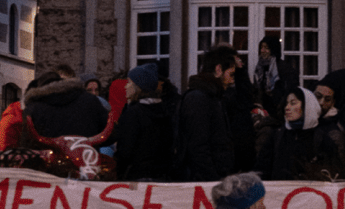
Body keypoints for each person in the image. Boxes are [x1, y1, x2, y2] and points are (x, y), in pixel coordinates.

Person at [176, 45, 238, 181]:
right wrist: (213, 179)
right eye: (231, 74)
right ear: (218, 69)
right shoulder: (199, 98)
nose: (232, 80)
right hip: (203, 180)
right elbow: (198, 147)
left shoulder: (213, 97)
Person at [114, 63, 175, 180]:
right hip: (161, 175)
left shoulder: (134, 113)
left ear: (138, 86)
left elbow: (125, 150)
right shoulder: (164, 111)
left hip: (136, 175)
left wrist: (119, 171)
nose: (125, 86)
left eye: (129, 82)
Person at [252, 36, 294, 117]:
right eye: (261, 47)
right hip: (264, 111)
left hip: (280, 112)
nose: (262, 51)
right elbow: (257, 89)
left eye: (266, 48)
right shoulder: (260, 67)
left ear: (273, 49)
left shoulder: (284, 68)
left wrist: (281, 108)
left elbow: (289, 89)